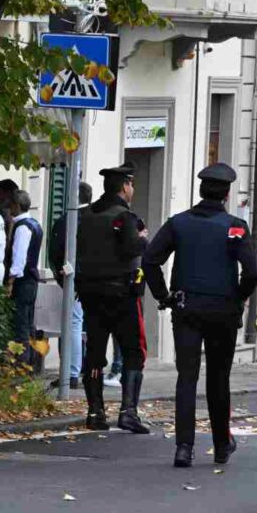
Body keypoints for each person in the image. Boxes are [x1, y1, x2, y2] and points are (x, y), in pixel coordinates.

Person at [143, 163, 257, 467]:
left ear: (200, 190)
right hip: (223, 311)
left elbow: (150, 259)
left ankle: (184, 447)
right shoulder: (235, 226)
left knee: (187, 377)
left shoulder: (178, 223)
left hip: (186, 309)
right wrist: (240, 297)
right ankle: (221, 444)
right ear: (227, 193)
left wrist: (163, 296)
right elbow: (252, 271)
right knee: (219, 378)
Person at [76, 165, 150, 433]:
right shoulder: (126, 217)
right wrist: (143, 239)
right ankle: (128, 411)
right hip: (122, 295)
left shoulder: (86, 216)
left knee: (94, 353)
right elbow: (131, 248)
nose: (132, 190)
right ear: (125, 187)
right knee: (133, 351)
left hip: (90, 294)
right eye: (131, 185)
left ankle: (95, 411)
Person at [48, 181, 93, 390]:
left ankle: (71, 373)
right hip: (98, 280)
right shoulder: (98, 218)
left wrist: (61, 279)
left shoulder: (67, 220)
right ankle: (89, 370)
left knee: (73, 325)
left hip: (74, 281)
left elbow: (55, 252)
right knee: (91, 325)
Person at [4, 190, 44, 367]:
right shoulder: (35, 224)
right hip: (31, 280)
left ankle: (22, 365)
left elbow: (19, 258)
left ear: (17, 206)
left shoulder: (22, 227)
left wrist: (10, 282)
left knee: (21, 325)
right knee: (28, 323)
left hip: (23, 281)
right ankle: (33, 363)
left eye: (11, 205)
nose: (9, 208)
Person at [0, 179, 19, 283]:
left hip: (4, 261)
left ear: (7, 193)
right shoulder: (1, 210)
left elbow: (8, 240)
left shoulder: (7, 212)